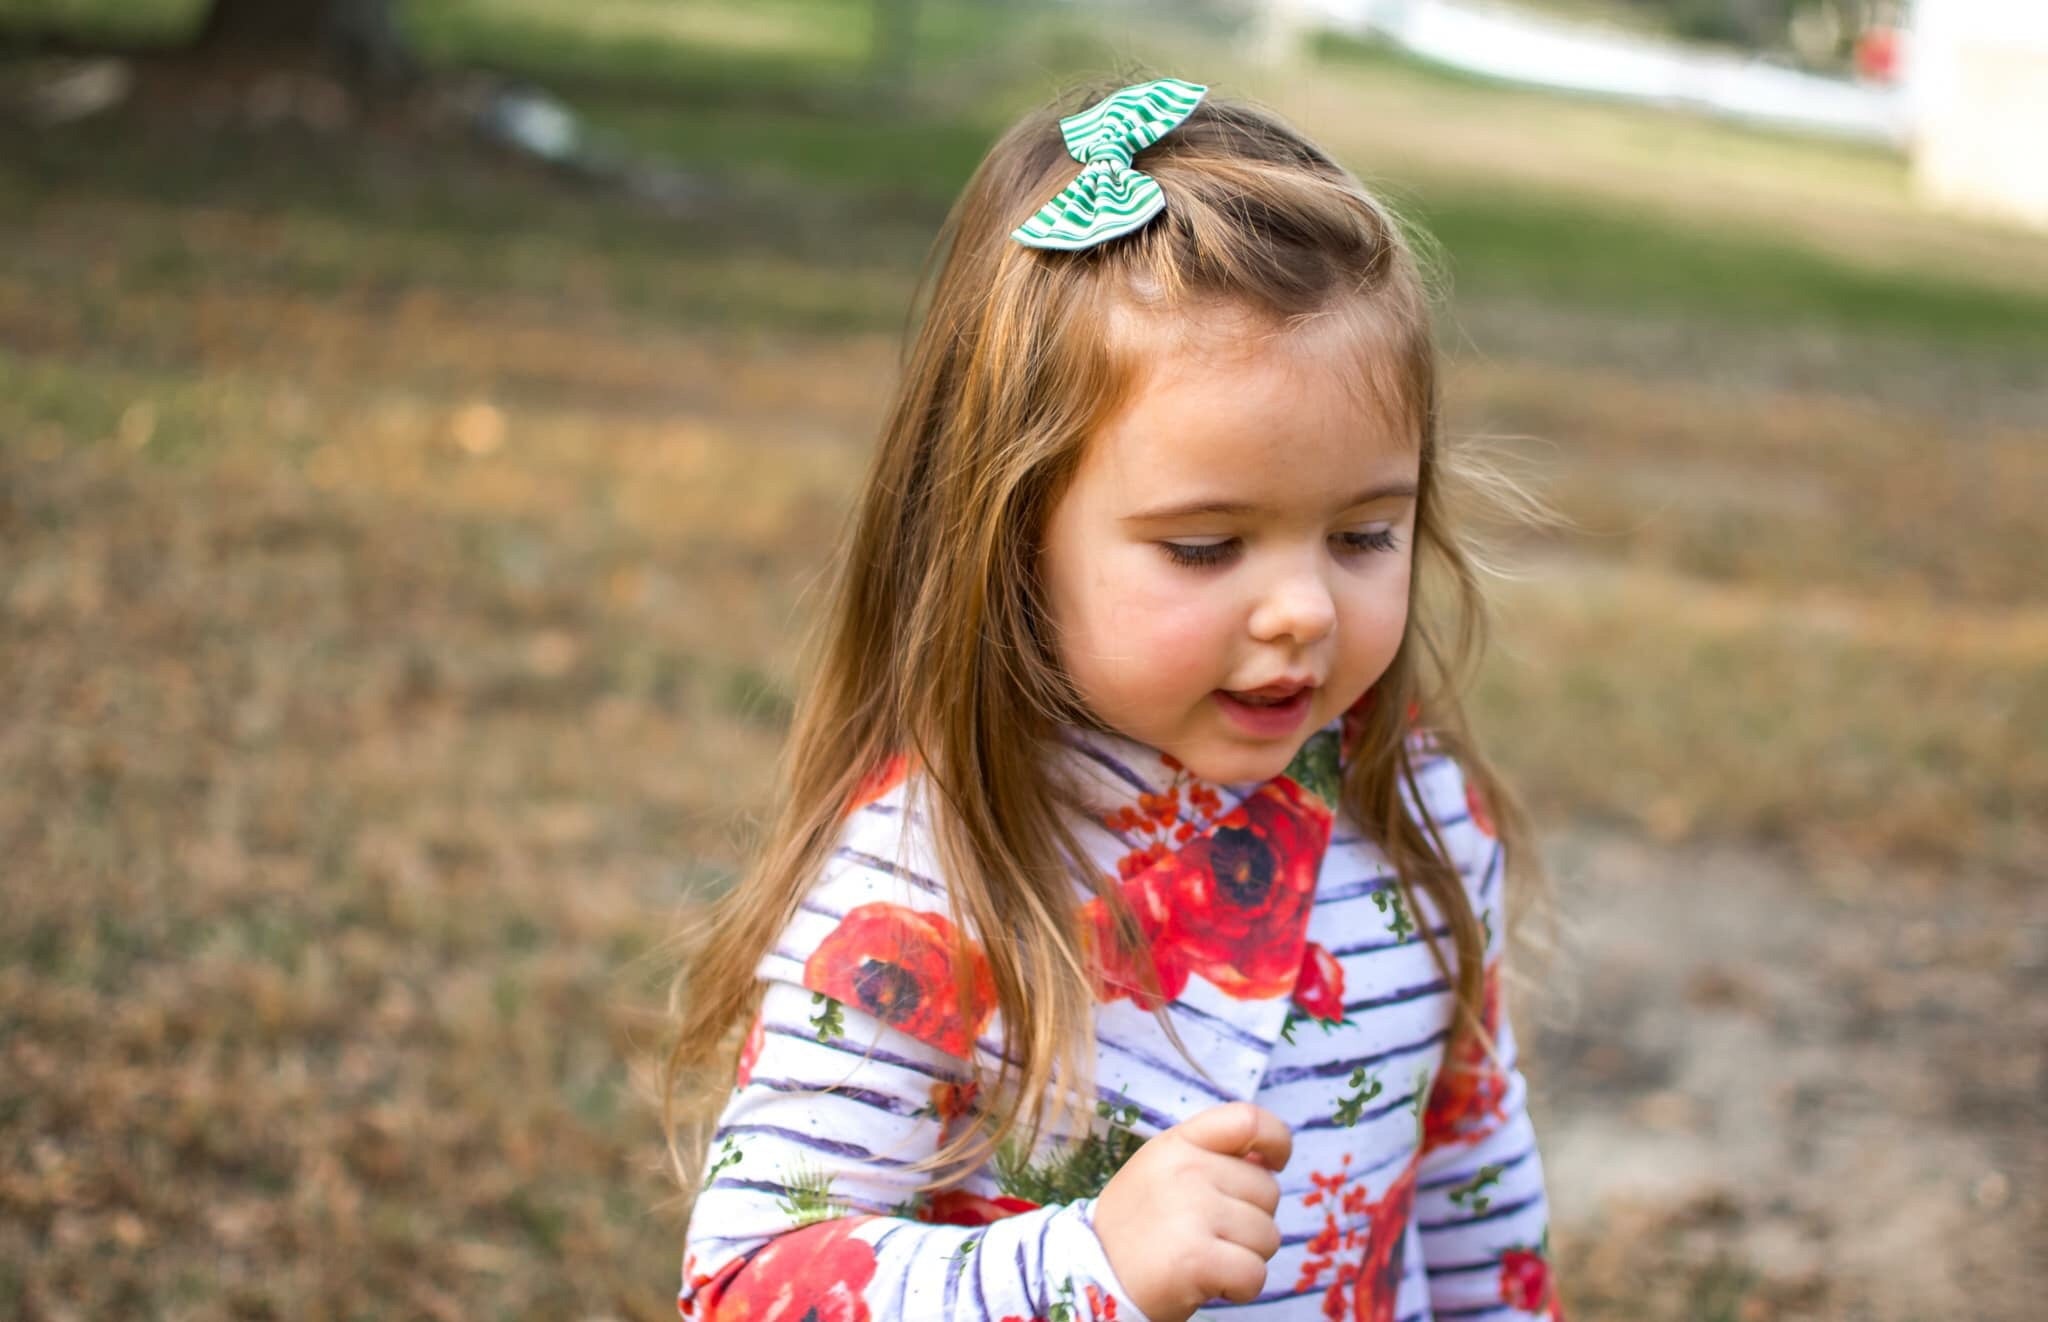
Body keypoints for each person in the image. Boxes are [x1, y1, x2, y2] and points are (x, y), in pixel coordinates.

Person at [661, 73, 1564, 1322]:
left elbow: (1475, 1185)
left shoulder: (1414, 817)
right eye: (1204, 546)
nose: (1300, 607)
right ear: (1012, 536)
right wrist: (1085, 1262)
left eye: (1362, 534)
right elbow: (746, 1284)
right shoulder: (934, 872)